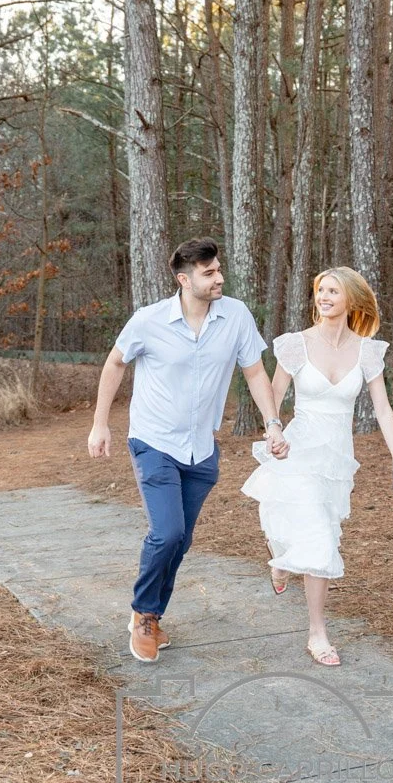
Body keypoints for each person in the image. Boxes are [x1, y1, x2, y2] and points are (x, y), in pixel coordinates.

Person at [88, 238, 289, 663]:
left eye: (218, 269)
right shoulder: (149, 320)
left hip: (201, 448)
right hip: (153, 441)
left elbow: (254, 372)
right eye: (209, 273)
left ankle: (152, 616)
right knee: (168, 533)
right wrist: (100, 423)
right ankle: (144, 614)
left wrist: (273, 423)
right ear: (184, 280)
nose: (219, 278)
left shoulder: (234, 316)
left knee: (181, 539)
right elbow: (115, 363)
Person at [242, 266, 393, 667]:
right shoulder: (295, 345)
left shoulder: (368, 351)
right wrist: (274, 432)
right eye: (320, 289)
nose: (323, 297)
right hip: (299, 447)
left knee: (320, 531)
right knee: (320, 537)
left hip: (337, 458)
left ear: (352, 300)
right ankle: (317, 632)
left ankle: (281, 560)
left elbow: (382, 408)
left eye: (333, 291)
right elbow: (273, 393)